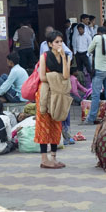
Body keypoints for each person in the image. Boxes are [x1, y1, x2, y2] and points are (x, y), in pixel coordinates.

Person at [35, 30, 71, 169]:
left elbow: (66, 76)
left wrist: (63, 57)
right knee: (44, 125)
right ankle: (44, 159)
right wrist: (58, 77)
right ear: (50, 44)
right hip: (45, 93)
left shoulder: (66, 56)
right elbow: (42, 77)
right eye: (56, 42)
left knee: (57, 123)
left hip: (59, 93)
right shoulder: (44, 56)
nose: (59, 44)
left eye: (61, 41)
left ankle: (54, 157)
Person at [85, 26, 106, 125]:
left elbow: (89, 50)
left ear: (98, 32)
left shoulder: (97, 38)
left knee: (96, 95)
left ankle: (91, 118)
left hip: (99, 70)